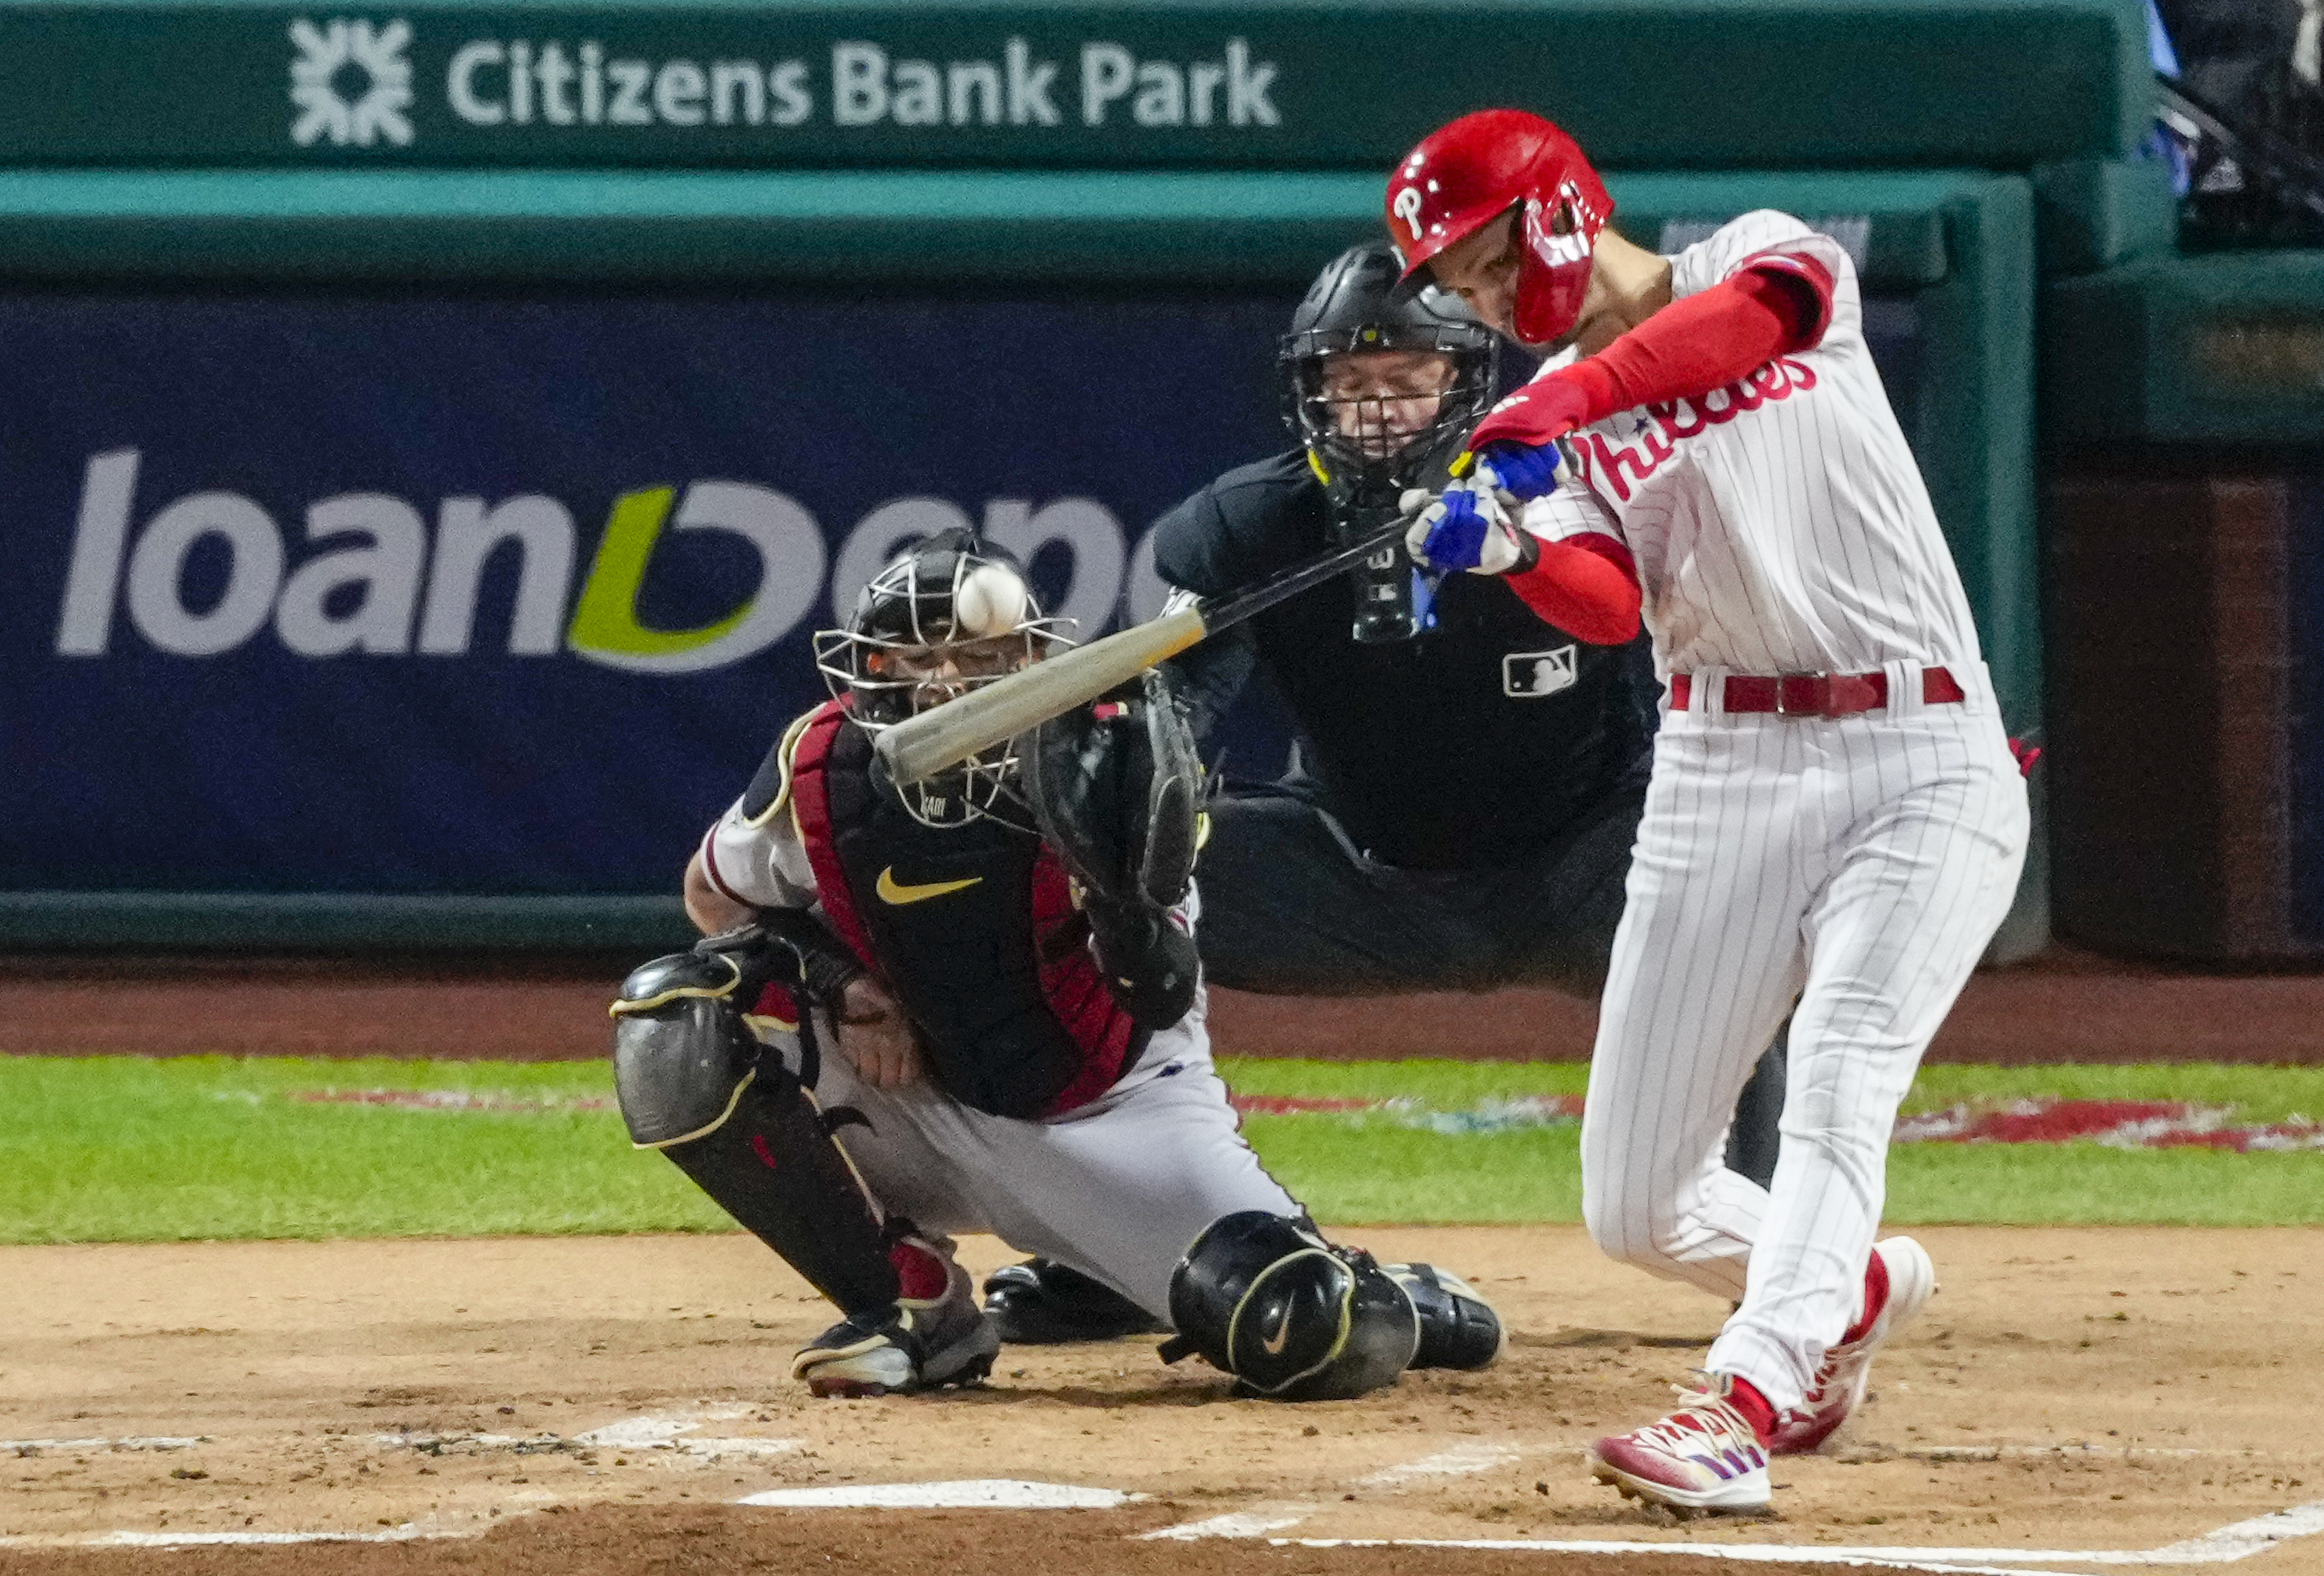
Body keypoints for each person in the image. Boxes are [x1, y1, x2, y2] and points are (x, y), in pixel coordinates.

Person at [1386, 109, 2030, 1512]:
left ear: (1552, 207)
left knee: (1836, 1077)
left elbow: (1741, 330)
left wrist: (1554, 410)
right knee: (1634, 1198)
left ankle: (1740, 1394)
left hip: (1918, 746)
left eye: (1485, 260)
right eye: (1459, 284)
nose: (1482, 299)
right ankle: (1836, 1281)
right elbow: (1607, 603)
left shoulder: (1756, 258)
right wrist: (1503, 541)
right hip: (1720, 765)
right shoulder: (1547, 423)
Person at [982, 243, 1788, 1346]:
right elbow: (1171, 715)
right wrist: (1115, 801)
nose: (1374, 411)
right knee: (1092, 881)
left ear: (1464, 383)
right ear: (1306, 392)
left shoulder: (1575, 502)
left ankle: (1776, 1259)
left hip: (1587, 868)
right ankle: (1123, 1247)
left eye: (1405, 381)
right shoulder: (1246, 527)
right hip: (1355, 879)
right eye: (1348, 385)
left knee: (1734, 889)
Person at [610, 527, 1503, 1401]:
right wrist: (851, 987)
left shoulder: (1116, 756)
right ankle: (911, 1306)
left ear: (1032, 658)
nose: (944, 687)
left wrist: (1114, 888)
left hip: (1113, 1117)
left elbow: (1160, 988)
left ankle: (1397, 1300)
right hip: (922, 1093)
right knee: (675, 1018)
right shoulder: (824, 760)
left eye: (976, 657)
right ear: (867, 671)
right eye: (913, 661)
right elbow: (713, 894)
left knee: (1303, 1329)